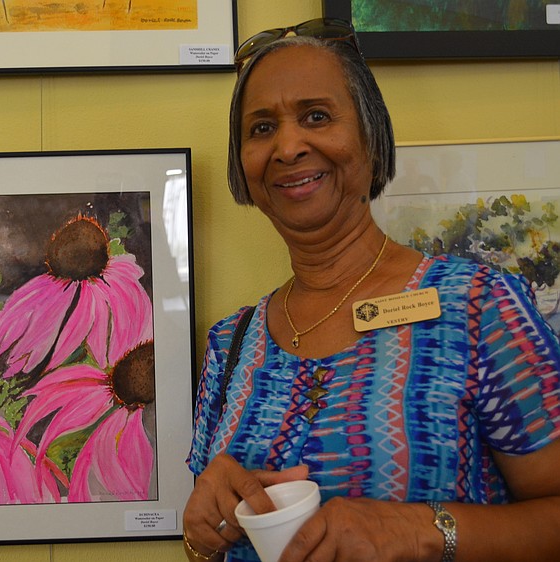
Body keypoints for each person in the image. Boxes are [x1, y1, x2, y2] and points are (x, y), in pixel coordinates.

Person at [182, 17, 560, 562]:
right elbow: (206, 544)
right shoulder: (231, 344)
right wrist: (200, 534)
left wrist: (421, 530)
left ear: (371, 137)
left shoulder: (478, 306)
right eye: (261, 128)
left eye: (316, 116)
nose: (287, 147)